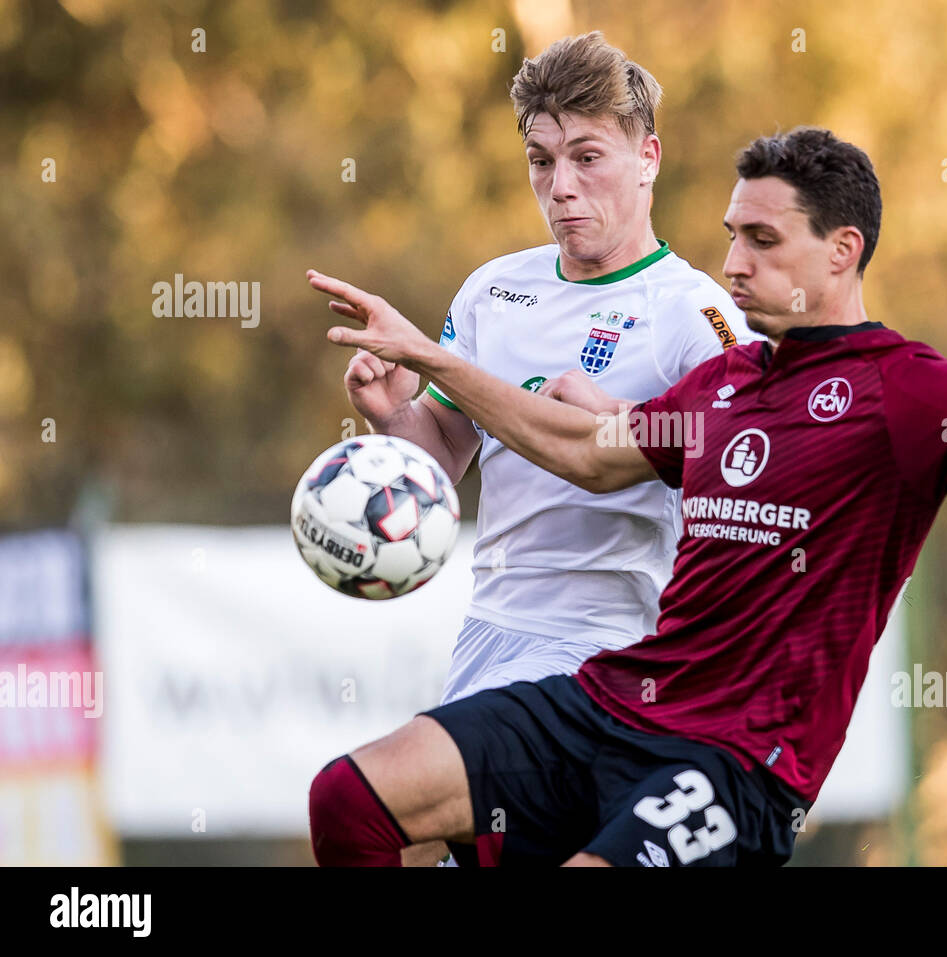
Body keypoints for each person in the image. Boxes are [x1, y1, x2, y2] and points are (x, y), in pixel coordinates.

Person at [306, 127, 947, 866]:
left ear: (842, 251)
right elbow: (587, 452)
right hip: (610, 705)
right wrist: (437, 365)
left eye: (763, 241)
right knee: (350, 799)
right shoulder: (722, 386)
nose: (733, 264)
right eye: (731, 237)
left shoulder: (913, 394)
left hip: (738, 767)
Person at [318, 32, 758, 864]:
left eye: (587, 157)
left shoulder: (692, 311)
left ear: (647, 157)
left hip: (612, 649)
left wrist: (622, 418)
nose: (561, 188)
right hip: (489, 633)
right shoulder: (495, 290)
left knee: (372, 808)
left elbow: (749, 456)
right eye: (540, 160)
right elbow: (443, 459)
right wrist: (393, 417)